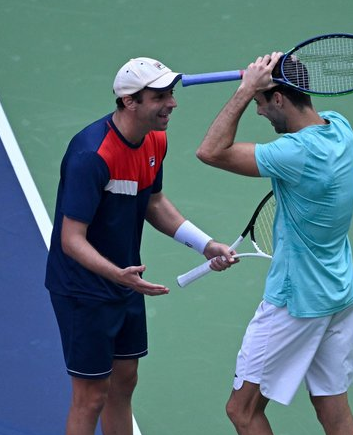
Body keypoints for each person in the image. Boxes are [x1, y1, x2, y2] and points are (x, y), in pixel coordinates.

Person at [45, 57, 235, 435]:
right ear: (130, 101)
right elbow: (71, 240)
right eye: (160, 96)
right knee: (91, 395)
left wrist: (205, 244)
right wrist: (118, 275)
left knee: (124, 382)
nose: (172, 103)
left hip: (125, 279)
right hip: (84, 289)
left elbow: (153, 201)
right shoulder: (91, 155)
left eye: (171, 93)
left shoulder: (155, 140)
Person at [195, 52, 353, 435]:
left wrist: (244, 88)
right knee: (334, 412)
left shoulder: (297, 153)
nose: (258, 111)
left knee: (242, 410)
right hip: (339, 295)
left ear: (279, 98)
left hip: (296, 302)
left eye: (260, 102)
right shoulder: (340, 129)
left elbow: (211, 151)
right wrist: (265, 80)